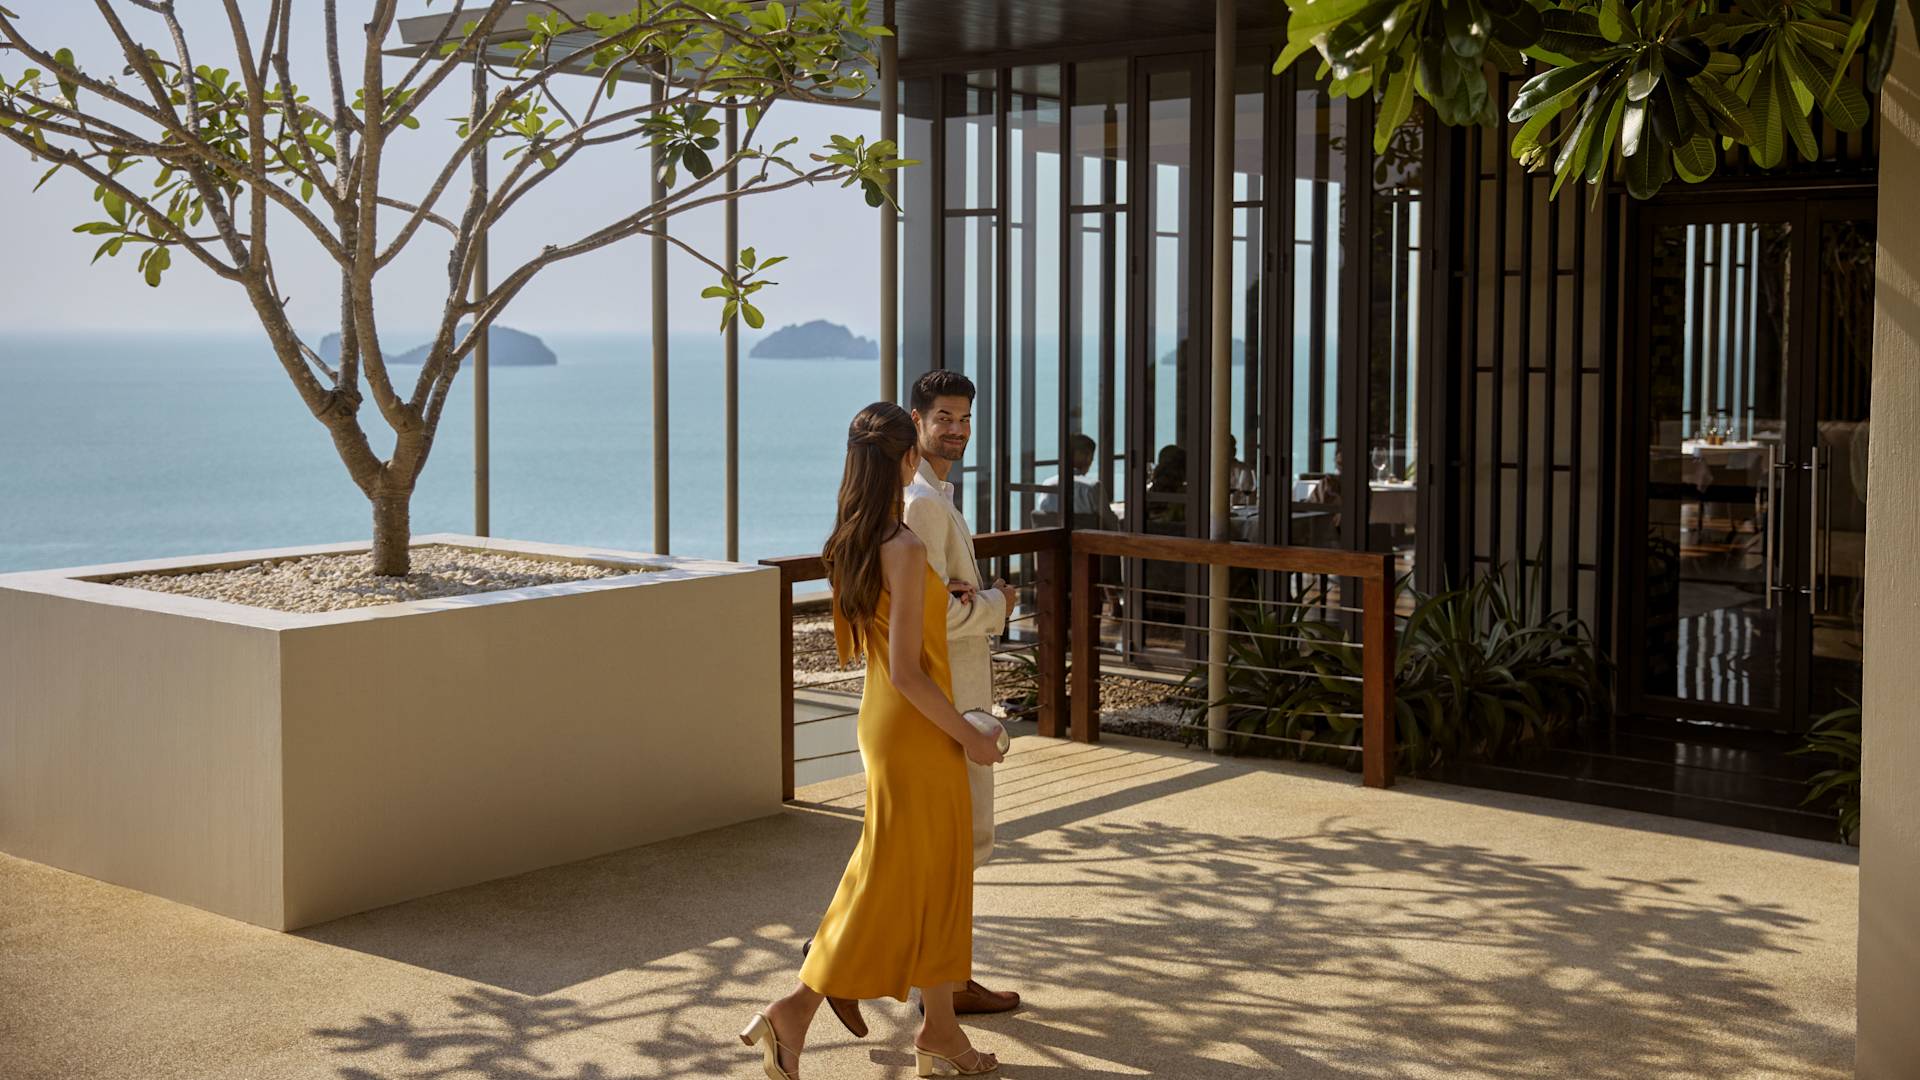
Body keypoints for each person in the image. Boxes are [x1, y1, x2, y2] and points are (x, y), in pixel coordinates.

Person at [741, 402, 1006, 1080]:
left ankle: (939, 1033)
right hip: (917, 725)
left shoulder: (851, 541)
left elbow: (890, 658)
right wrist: (970, 737)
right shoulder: (905, 546)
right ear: (907, 457)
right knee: (903, 874)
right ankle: (796, 1007)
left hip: (882, 721)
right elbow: (916, 671)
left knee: (920, 874)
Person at [901, 370, 1023, 1013]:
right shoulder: (921, 503)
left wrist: (973, 596)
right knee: (955, 846)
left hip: (959, 690)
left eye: (965, 418)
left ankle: (947, 981)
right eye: (944, 417)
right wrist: (998, 602)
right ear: (916, 421)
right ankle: (842, 965)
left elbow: (950, 600)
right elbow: (933, 616)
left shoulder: (937, 497)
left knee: (958, 847)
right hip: (950, 698)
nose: (957, 430)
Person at [1035, 433, 1121, 530]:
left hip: (1055, 542)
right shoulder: (1093, 487)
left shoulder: (1047, 484)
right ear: (1088, 456)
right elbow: (1111, 523)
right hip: (1089, 543)